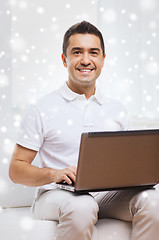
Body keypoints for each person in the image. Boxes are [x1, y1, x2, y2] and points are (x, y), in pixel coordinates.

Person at [9, 21, 159, 240]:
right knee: (82, 205)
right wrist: (54, 174)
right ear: (64, 59)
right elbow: (16, 170)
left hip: (106, 196)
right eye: (77, 52)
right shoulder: (42, 108)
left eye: (93, 52)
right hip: (55, 195)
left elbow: (124, 164)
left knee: (153, 201)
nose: (86, 60)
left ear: (103, 60)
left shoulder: (117, 109)